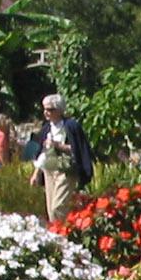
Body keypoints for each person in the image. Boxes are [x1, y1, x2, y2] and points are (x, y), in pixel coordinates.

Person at [30, 92, 95, 222]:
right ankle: (57, 234)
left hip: (65, 171)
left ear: (59, 110)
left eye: (50, 109)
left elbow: (78, 149)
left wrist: (58, 145)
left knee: (57, 208)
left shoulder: (71, 126)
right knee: (50, 210)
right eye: (45, 109)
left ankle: (62, 234)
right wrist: (36, 173)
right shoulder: (46, 128)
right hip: (49, 171)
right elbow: (43, 153)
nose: (46, 112)